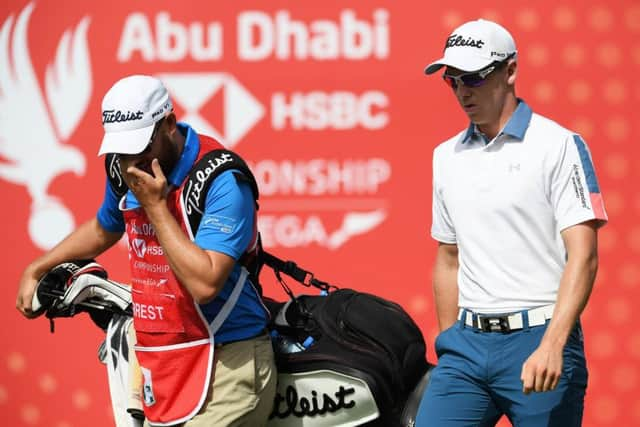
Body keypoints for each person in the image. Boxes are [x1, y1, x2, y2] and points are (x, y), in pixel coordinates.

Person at [16, 75, 277, 426]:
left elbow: (205, 285)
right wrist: (38, 266)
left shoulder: (222, 180)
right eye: (120, 151)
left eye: (140, 148)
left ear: (168, 124)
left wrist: (155, 206)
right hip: (165, 363)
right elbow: (105, 226)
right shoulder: (123, 166)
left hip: (230, 363)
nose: (130, 163)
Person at [416, 19, 608, 426]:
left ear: (511, 70)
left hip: (539, 339)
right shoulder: (445, 157)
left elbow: (584, 256)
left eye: (474, 76)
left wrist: (553, 343)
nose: (463, 89)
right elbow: (448, 257)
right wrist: (449, 341)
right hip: (466, 348)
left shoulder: (559, 145)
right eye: (453, 79)